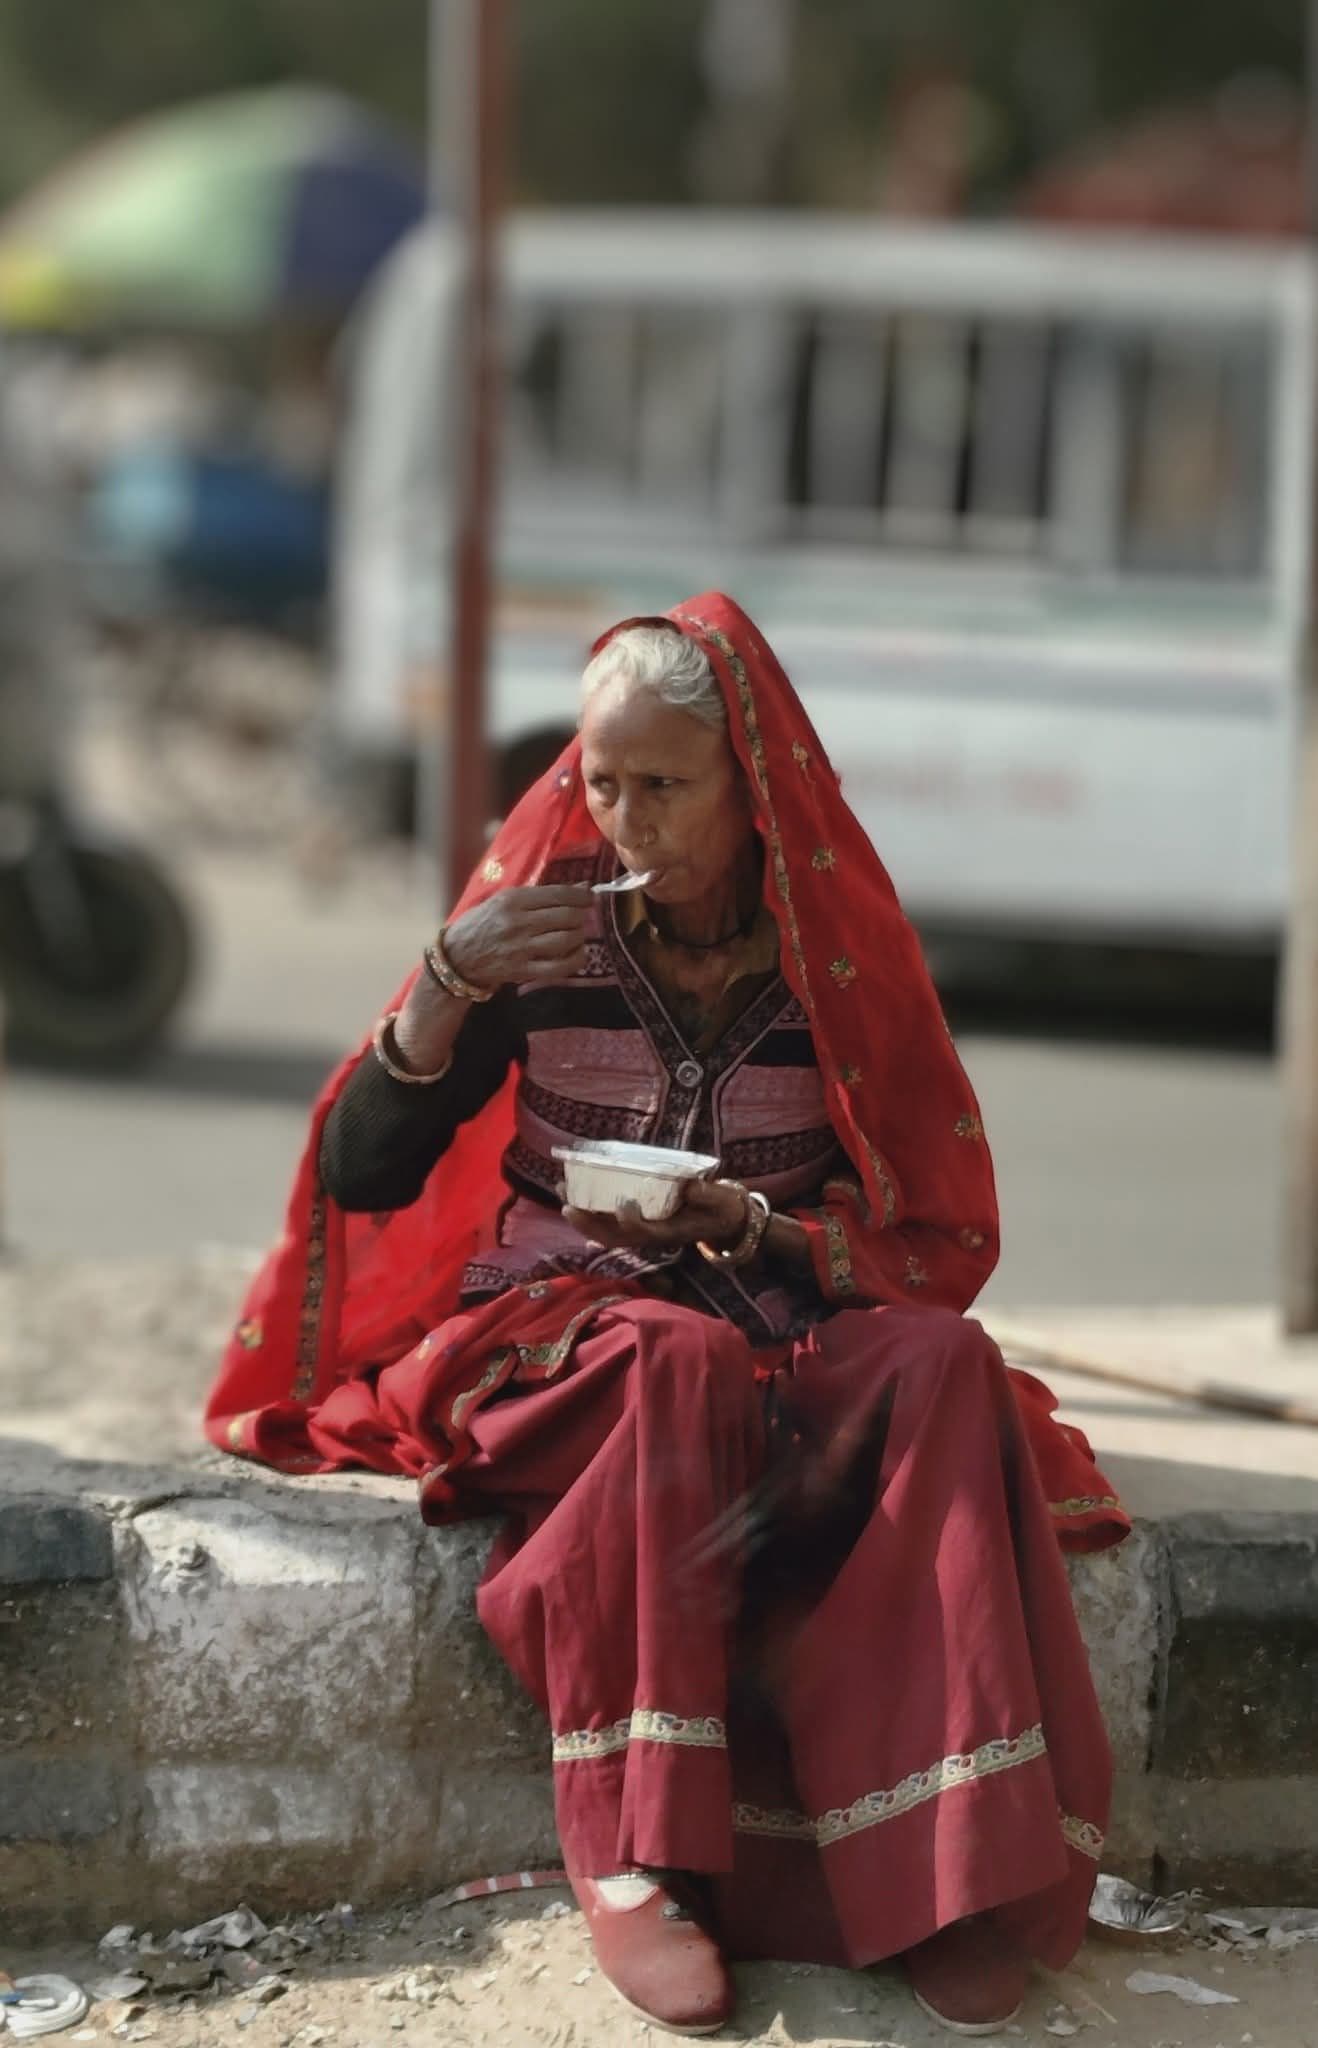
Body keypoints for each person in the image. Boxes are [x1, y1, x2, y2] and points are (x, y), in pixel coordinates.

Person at [207, 593, 1129, 2038]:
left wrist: (755, 1226)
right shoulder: (530, 940)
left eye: (663, 785)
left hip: (776, 1314)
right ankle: (636, 1859)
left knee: (941, 1366)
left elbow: (922, 1233)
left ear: (747, 787)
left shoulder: (828, 965)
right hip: (557, 1340)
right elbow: (361, 1171)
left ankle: (936, 1873)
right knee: (672, 1356)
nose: (623, 818)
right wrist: (444, 989)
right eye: (600, 780)